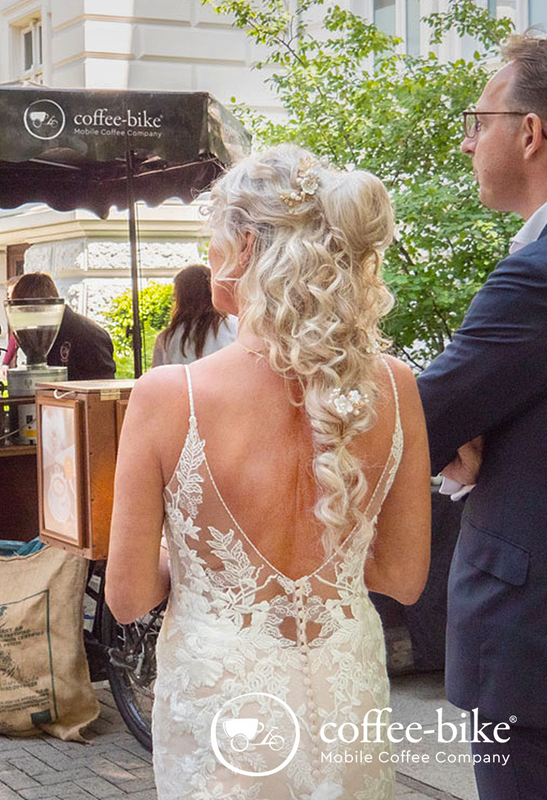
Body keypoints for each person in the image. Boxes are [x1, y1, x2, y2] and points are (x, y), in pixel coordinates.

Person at [105, 145, 431, 798]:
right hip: (344, 694)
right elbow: (402, 577)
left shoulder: (170, 396)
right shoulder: (395, 388)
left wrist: (197, 563)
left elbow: (128, 595)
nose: (208, 252)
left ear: (247, 245)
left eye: (214, 236)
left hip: (225, 710)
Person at [417, 32, 547, 800]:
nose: (468, 143)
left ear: (530, 132)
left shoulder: (534, 275)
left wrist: (460, 444)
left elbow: (423, 417)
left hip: (530, 656)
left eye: (479, 120)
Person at [3, 272, 116, 380]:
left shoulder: (90, 335)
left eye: (29, 312)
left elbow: (100, 392)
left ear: (50, 304)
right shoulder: (45, 334)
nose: (25, 320)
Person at [151, 264, 237, 367]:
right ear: (212, 289)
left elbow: (160, 378)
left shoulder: (167, 339)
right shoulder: (236, 328)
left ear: (180, 297)